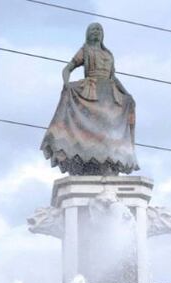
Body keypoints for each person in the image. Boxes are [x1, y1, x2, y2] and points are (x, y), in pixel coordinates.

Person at [41, 23, 138, 176]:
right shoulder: (85, 50)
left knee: (107, 130)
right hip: (90, 92)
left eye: (99, 29)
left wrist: (127, 94)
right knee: (89, 129)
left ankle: (107, 163)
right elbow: (68, 68)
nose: (96, 32)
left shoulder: (108, 54)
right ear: (88, 33)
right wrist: (67, 84)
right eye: (93, 29)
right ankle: (87, 161)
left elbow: (114, 77)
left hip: (109, 95)